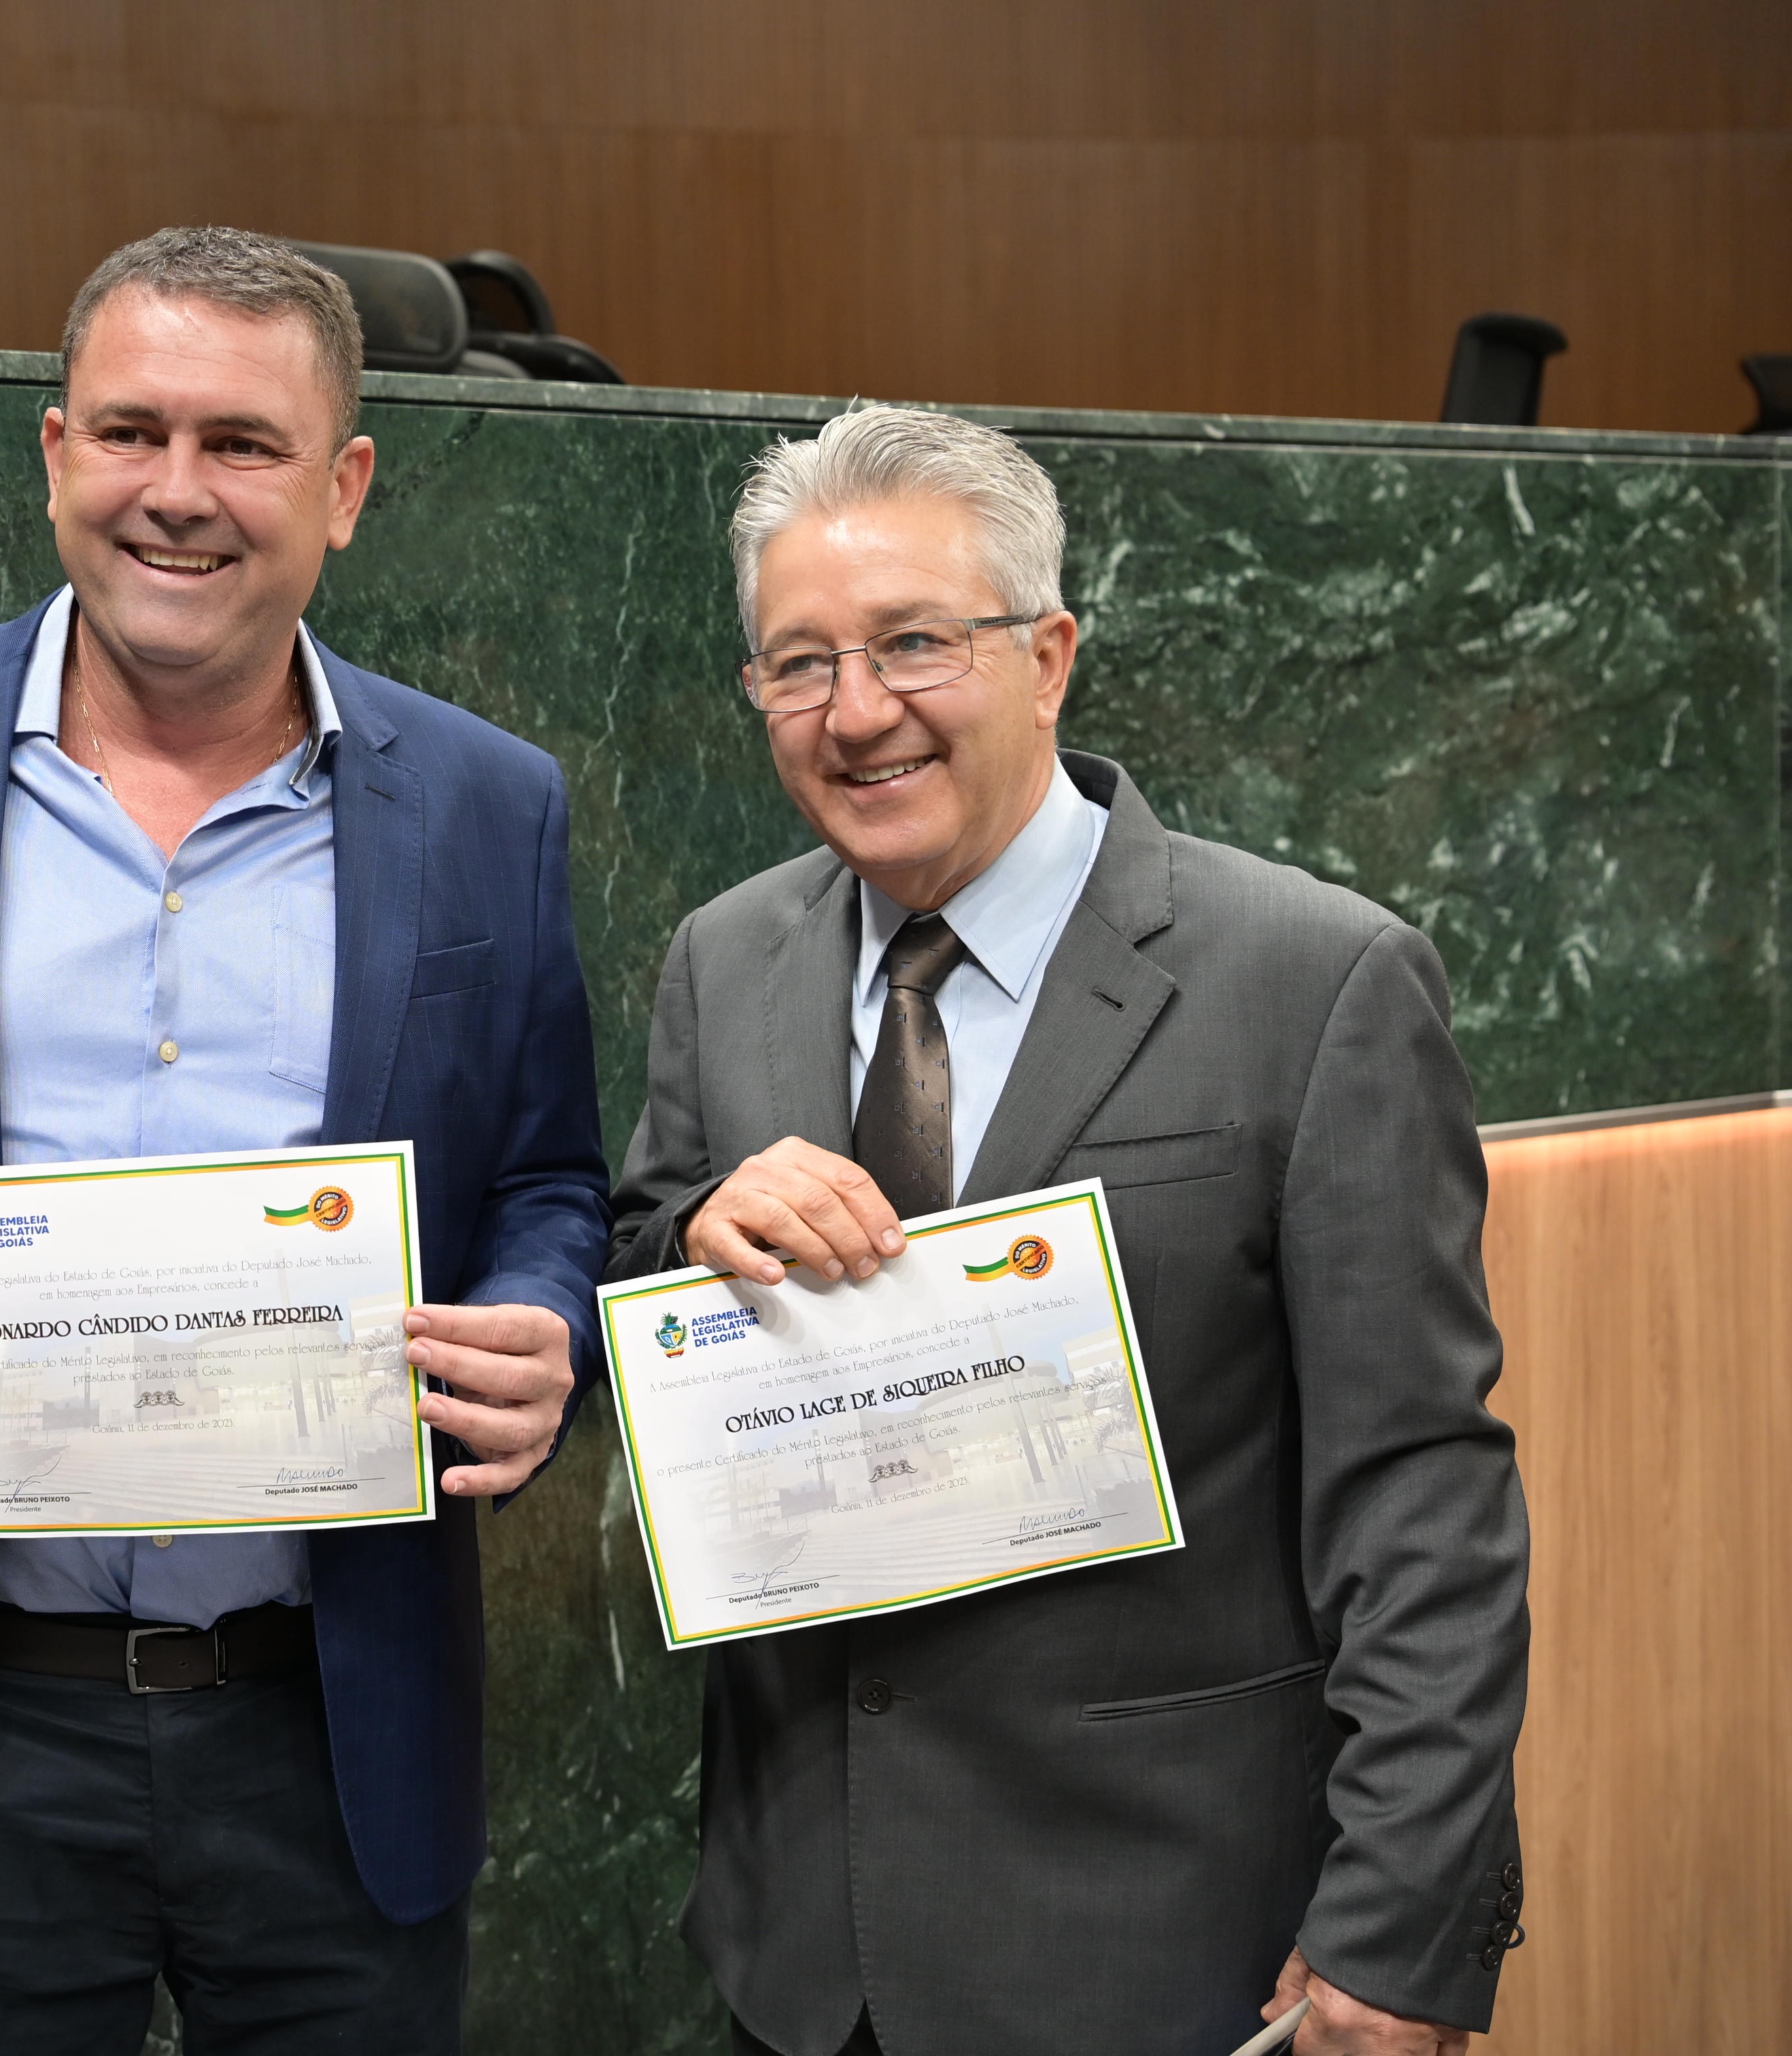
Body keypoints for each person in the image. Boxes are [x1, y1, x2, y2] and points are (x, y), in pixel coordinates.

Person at [0, 226, 610, 2053]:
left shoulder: (485, 805)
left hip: (332, 1720)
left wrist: (543, 1326)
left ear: (344, 487)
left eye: (243, 444)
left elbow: (548, 1179)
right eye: (130, 432)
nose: (175, 491)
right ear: (56, 455)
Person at [609, 405, 1529, 2056]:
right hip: (803, 1956)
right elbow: (634, 1287)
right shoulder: (719, 960)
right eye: (799, 665)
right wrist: (691, 1238)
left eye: (912, 643)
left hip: (1161, 1946)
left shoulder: (1314, 980)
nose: (856, 711)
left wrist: (1399, 1928)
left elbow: (1419, 1494)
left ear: (1045, 657)